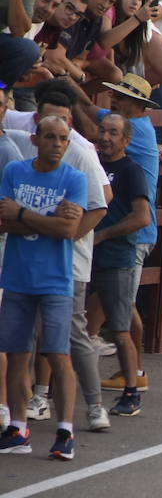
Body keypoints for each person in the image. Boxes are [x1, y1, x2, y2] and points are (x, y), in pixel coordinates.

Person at [0, 117, 85, 458]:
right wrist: (48, 218)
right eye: (49, 137)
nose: (56, 144)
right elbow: (1, 220)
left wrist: (22, 213)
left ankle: (65, 430)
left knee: (58, 354)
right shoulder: (14, 172)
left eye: (62, 138)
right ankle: (18, 428)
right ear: (35, 139)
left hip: (55, 280)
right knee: (17, 355)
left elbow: (68, 230)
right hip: (18, 277)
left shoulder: (74, 178)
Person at [90, 113, 151, 417]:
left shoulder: (130, 170)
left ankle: (132, 391)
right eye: (102, 130)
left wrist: (102, 234)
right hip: (82, 256)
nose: (105, 137)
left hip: (116, 259)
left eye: (113, 133)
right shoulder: (90, 162)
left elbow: (142, 217)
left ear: (126, 140)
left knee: (120, 328)